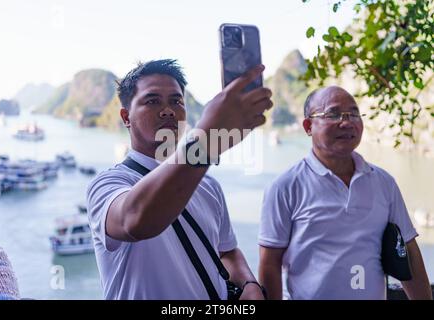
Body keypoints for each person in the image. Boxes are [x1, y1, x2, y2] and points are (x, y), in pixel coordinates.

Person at [87, 59, 272, 300]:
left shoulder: (207, 184)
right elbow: (135, 219)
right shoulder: (108, 185)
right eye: (152, 101)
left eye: (176, 101)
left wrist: (249, 284)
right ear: (126, 117)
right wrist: (208, 141)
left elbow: (227, 251)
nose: (168, 110)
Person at [258, 86, 432, 300]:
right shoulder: (285, 187)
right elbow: (269, 264)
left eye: (354, 114)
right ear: (308, 125)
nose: (347, 122)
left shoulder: (383, 182)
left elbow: (408, 250)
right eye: (333, 114)